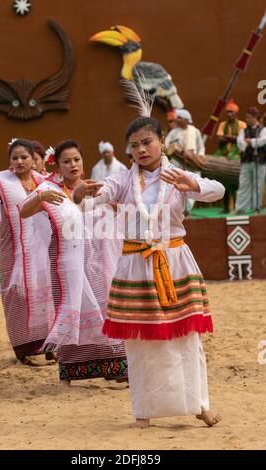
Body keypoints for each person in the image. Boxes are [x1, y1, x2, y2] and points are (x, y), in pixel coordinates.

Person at [74, 116, 224, 428]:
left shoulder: (175, 175)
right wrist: (81, 193)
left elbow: (218, 190)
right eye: (134, 145)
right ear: (128, 150)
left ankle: (200, 404)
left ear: (161, 141)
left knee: (187, 335)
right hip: (136, 266)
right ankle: (143, 412)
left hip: (175, 261)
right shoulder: (122, 180)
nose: (141, 149)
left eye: (147, 142)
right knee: (140, 341)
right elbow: (92, 200)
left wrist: (192, 184)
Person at [20, 140, 128, 387]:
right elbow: (24, 212)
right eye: (66, 161)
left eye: (76, 160)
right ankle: (68, 374)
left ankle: (117, 366)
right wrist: (40, 198)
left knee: (104, 310)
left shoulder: (90, 188)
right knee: (72, 315)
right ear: (57, 166)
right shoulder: (48, 189)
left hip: (97, 263)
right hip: (66, 266)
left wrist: (111, 209)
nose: (73, 165)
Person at [0, 139, 54, 365]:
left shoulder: (44, 182)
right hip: (15, 250)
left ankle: (49, 346)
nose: (19, 161)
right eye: (14, 158)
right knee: (18, 297)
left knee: (46, 294)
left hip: (42, 249)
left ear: (34, 159)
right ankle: (25, 350)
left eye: (24, 157)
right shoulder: (2, 184)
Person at [235, 107, 266, 214]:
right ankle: (240, 208)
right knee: (243, 183)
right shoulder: (244, 130)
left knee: (258, 184)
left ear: (255, 117)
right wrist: (247, 143)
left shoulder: (263, 129)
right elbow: (239, 141)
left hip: (259, 161)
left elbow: (263, 140)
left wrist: (251, 141)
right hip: (246, 160)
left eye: (249, 117)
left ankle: (256, 207)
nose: (247, 119)